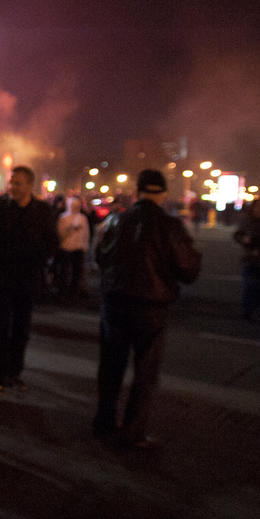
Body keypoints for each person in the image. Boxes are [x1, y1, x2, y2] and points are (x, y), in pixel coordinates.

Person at [93, 169, 202, 449]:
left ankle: (103, 422)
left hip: (115, 303)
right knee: (145, 373)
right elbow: (188, 270)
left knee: (111, 367)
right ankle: (133, 432)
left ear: (137, 192)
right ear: (163, 194)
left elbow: (101, 257)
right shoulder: (170, 226)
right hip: (150, 307)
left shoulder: (117, 220)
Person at [0, 166, 58, 396]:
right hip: (0, 278)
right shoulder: (0, 207)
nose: (12, 187)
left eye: (18, 183)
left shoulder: (42, 211)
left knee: (21, 328)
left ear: (30, 186)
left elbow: (53, 242)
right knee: (0, 326)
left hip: (26, 278)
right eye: (11, 182)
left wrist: (39, 260)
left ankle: (14, 371)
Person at [56, 195, 91, 297]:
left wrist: (85, 245)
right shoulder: (63, 217)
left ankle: (74, 291)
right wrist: (69, 229)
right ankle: (63, 291)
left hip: (78, 248)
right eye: (73, 205)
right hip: (66, 247)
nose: (75, 207)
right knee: (64, 271)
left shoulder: (82, 218)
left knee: (77, 271)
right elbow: (60, 232)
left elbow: (86, 233)